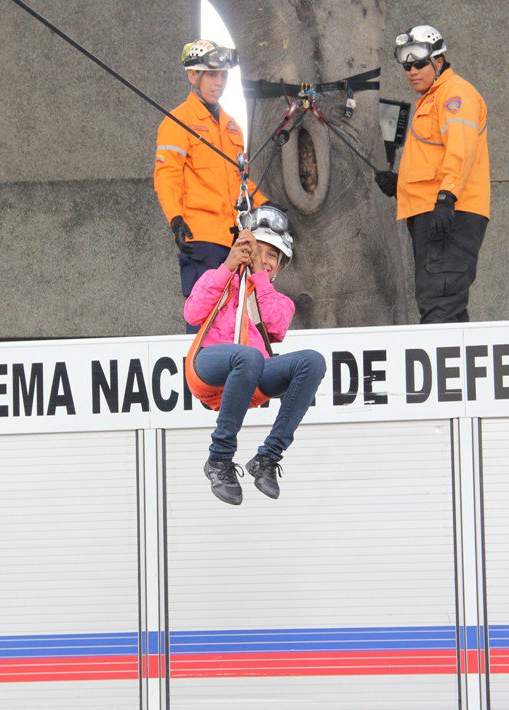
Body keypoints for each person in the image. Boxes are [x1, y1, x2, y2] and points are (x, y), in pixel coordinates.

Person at [184, 206, 326, 505]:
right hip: (207, 367)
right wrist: (227, 266)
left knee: (312, 361)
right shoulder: (219, 278)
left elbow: (275, 325)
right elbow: (193, 313)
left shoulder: (279, 301)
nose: (264, 259)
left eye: (272, 256)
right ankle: (219, 459)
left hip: (251, 374)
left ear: (279, 267)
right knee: (248, 356)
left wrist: (259, 280)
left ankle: (268, 457)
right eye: (257, 251)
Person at [375, 25, 491, 323]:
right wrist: (401, 183)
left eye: (419, 63)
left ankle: (446, 369)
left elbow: (460, 149)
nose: (411, 71)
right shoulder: (430, 98)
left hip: (450, 213)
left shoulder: (455, 94)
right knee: (438, 301)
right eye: (406, 66)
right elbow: (435, 160)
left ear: (439, 60)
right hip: (435, 210)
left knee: (441, 304)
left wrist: (446, 196)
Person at [154, 39, 267, 333]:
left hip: (235, 240)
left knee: (235, 322)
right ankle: (199, 377)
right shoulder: (178, 121)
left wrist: (268, 207)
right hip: (202, 240)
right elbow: (167, 176)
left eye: (223, 75)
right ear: (194, 76)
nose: (219, 82)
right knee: (205, 323)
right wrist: (175, 219)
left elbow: (239, 181)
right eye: (212, 74)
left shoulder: (232, 126)